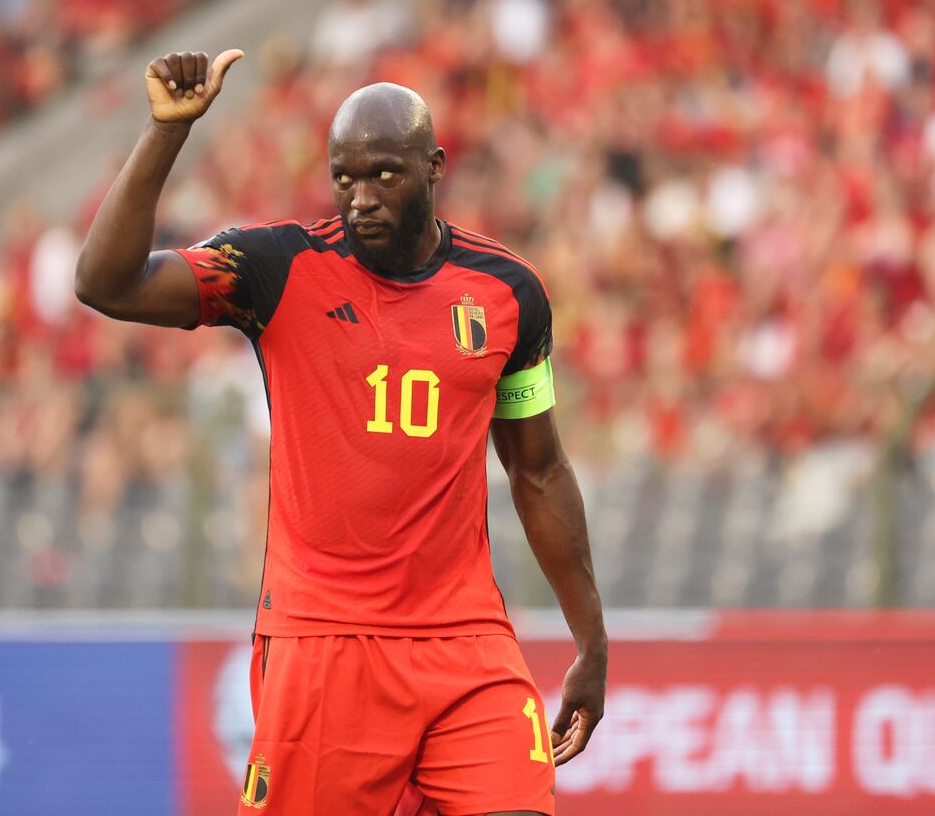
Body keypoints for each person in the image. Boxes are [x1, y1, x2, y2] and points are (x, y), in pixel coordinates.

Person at [75, 49, 607, 816]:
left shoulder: (508, 294)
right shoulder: (276, 269)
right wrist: (167, 133)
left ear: (434, 167)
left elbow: (541, 471)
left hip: (467, 644)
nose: (360, 198)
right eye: (344, 177)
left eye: (384, 174)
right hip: (325, 644)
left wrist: (590, 640)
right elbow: (105, 281)